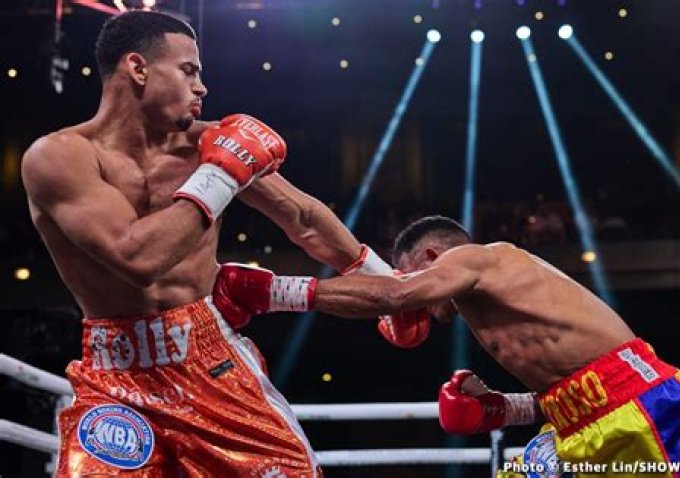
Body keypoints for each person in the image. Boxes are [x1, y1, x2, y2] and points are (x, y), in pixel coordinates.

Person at [21, 10, 420, 476]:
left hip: (210, 361)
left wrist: (385, 283)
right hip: (115, 378)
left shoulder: (208, 144)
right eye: (188, 71)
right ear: (138, 68)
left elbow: (302, 218)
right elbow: (136, 258)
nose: (202, 88)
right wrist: (221, 176)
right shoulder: (58, 157)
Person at [218, 215, 680, 475]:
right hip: (579, 424)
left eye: (411, 272)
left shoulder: (474, 259)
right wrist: (504, 409)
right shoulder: (484, 303)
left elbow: (394, 295)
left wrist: (275, 292)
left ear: (431, 256)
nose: (419, 304)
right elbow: (576, 379)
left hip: (645, 408)